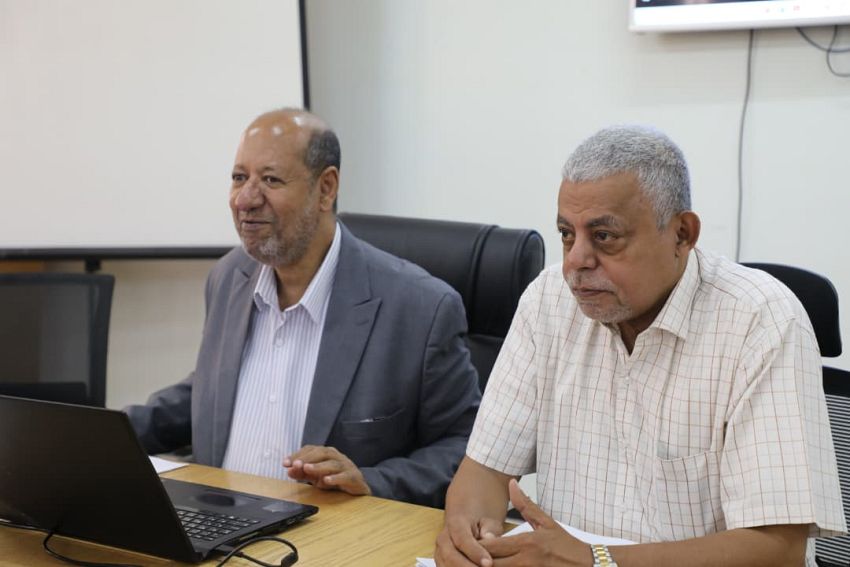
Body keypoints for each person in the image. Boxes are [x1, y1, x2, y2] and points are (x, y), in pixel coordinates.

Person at [436, 125, 845, 566]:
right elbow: (485, 470)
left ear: (682, 234)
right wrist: (470, 538)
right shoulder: (547, 301)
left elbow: (777, 551)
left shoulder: (761, 320)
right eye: (567, 234)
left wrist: (596, 560)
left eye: (604, 236)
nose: (575, 261)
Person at [126, 108, 480, 508]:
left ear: (326, 189)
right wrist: (107, 433)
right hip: (218, 524)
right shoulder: (228, 278)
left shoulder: (420, 308)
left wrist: (372, 481)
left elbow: (469, 447)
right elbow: (211, 389)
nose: (245, 199)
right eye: (239, 177)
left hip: (332, 534)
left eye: (270, 180)